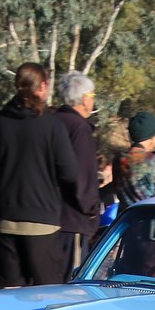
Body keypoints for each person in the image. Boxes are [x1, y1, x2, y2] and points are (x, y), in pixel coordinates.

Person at [0, 62, 78, 287]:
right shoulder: (52, 125)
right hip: (42, 221)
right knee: (45, 296)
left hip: (5, 219)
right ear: (42, 86)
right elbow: (70, 172)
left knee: (8, 295)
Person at [54, 71, 101, 278]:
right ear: (84, 99)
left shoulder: (51, 120)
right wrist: (90, 210)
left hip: (50, 215)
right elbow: (83, 176)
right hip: (72, 219)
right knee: (68, 284)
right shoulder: (79, 128)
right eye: (92, 96)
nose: (93, 101)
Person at [113, 111, 155, 208]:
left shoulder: (118, 159)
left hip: (125, 218)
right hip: (147, 218)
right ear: (151, 137)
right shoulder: (154, 160)